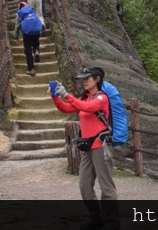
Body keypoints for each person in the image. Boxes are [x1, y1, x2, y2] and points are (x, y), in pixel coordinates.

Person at [50, 67, 118, 229]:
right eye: (84, 78)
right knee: (84, 186)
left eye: (88, 78)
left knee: (106, 185)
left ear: (97, 80)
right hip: (87, 146)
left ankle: (113, 223)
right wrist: (56, 96)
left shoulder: (101, 98)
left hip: (100, 146)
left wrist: (67, 94)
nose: (85, 81)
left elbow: (88, 108)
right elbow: (66, 109)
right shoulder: (85, 98)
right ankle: (97, 219)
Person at [15, 1, 43, 76]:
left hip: (26, 33)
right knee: (36, 42)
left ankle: (31, 69)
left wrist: (16, 37)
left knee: (28, 50)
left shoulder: (19, 13)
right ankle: (36, 50)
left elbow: (17, 26)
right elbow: (38, 19)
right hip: (36, 30)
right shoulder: (32, 10)